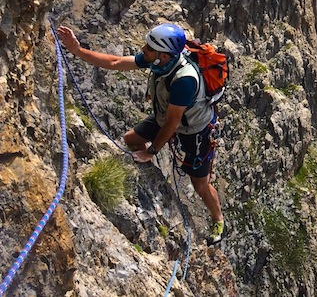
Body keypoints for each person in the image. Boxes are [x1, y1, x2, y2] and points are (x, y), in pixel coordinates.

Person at [57, 23, 225, 246]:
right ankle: (150, 175)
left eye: (149, 48)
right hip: (167, 117)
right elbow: (115, 62)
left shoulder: (185, 79)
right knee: (131, 140)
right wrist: (77, 50)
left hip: (196, 130)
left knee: (200, 185)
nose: (143, 50)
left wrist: (152, 151)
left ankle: (218, 220)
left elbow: (174, 123)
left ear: (163, 55)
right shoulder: (160, 60)